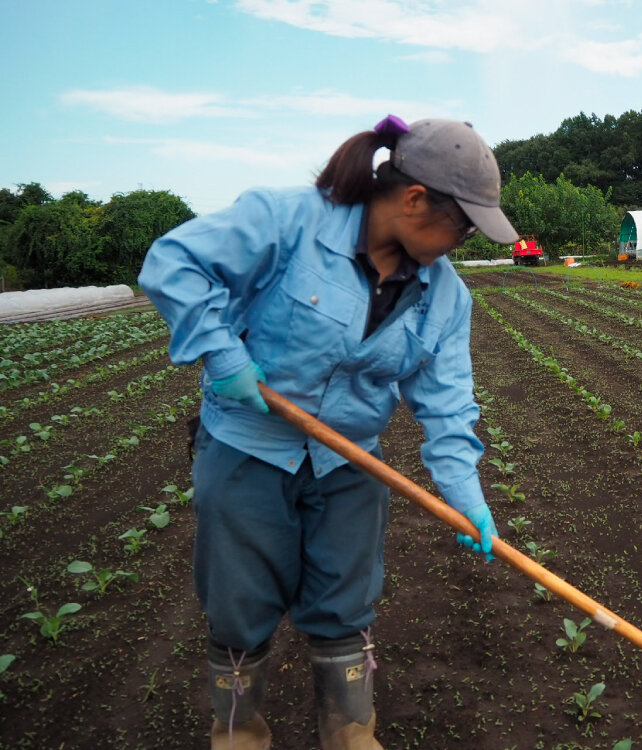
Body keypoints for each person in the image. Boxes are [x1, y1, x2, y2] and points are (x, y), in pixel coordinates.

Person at [138, 115, 517, 750]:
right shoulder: (287, 220)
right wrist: (222, 353)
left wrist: (466, 491)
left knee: (346, 606)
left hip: (350, 463)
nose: (463, 240)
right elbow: (173, 261)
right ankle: (238, 736)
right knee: (239, 606)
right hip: (247, 446)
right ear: (415, 199)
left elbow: (447, 403)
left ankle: (350, 735)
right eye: (463, 223)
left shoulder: (446, 298)